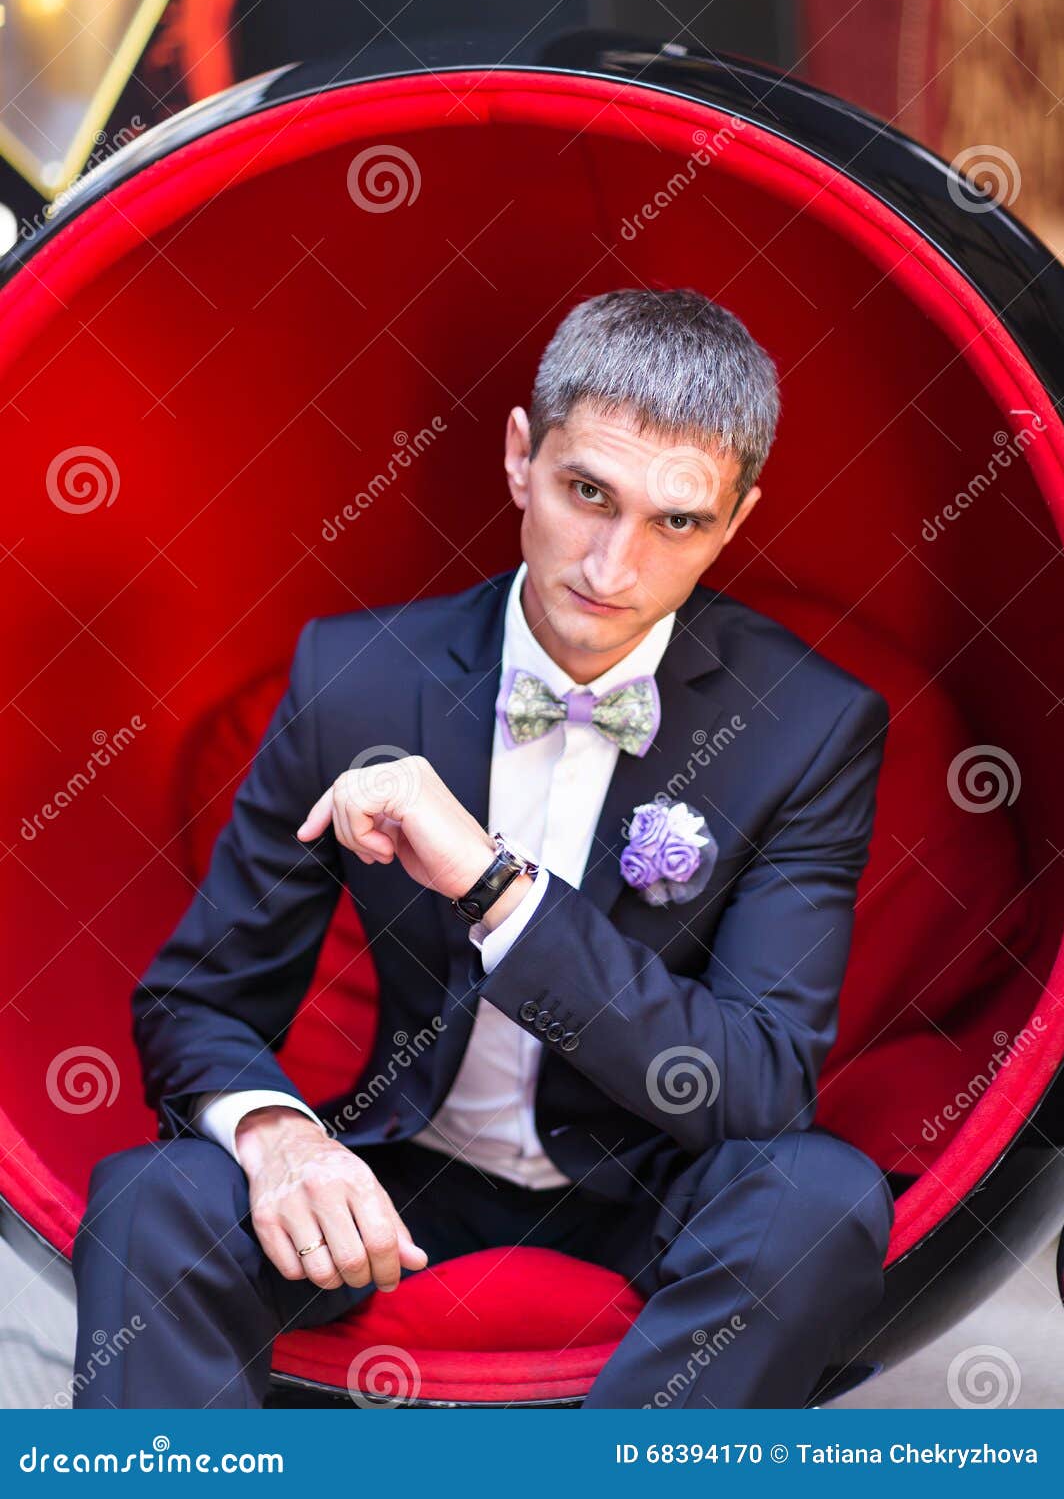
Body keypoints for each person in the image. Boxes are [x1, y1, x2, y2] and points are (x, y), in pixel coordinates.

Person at [71, 287, 894, 1408]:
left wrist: (492, 884)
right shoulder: (354, 677)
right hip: (401, 1178)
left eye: (676, 522)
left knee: (818, 1199)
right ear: (519, 456)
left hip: (655, 1187)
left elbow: (753, 1086)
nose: (611, 566)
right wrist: (278, 1138)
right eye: (586, 492)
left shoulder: (806, 724)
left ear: (736, 520)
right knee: (151, 1196)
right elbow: (196, 1004)